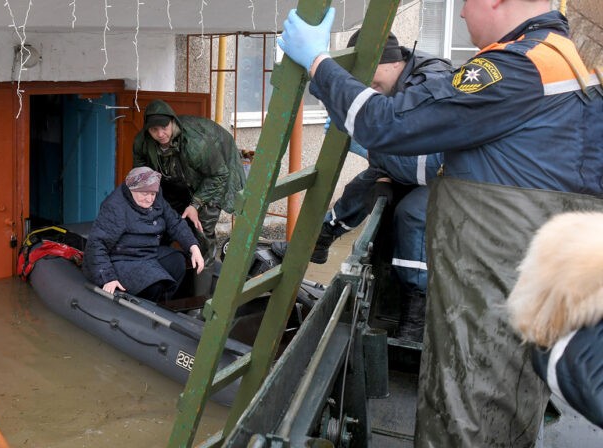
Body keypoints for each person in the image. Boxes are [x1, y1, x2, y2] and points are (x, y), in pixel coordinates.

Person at [278, 1, 602, 447]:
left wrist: (318, 63)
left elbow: (387, 123)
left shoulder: (515, 68)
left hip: (488, 311)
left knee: (466, 422)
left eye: (467, 2)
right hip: (521, 302)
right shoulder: (573, 69)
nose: (465, 14)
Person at [270, 30, 452, 342]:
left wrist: (373, 152)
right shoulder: (400, 78)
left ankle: (415, 312)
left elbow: (425, 166)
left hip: (451, 174)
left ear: (388, 63)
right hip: (422, 165)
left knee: (411, 214)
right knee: (363, 185)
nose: (368, 88)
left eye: (368, 80)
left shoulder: (430, 84)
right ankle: (320, 240)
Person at [133, 99, 246, 264]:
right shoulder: (142, 142)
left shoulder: (196, 144)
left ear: (172, 122)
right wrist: (144, 203)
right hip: (176, 178)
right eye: (154, 129)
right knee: (159, 221)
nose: (160, 134)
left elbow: (218, 175)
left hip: (215, 173)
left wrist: (195, 204)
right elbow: (140, 175)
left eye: (164, 128)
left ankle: (202, 280)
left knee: (201, 229)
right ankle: (161, 271)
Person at [82, 167, 204, 302]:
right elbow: (97, 243)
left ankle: (162, 305)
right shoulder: (115, 207)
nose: (149, 199)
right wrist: (107, 278)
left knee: (177, 263)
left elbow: (175, 222)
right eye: (145, 194)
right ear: (132, 189)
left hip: (148, 252)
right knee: (154, 285)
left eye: (152, 194)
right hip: (122, 257)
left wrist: (193, 247)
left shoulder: (157, 198)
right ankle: (145, 309)